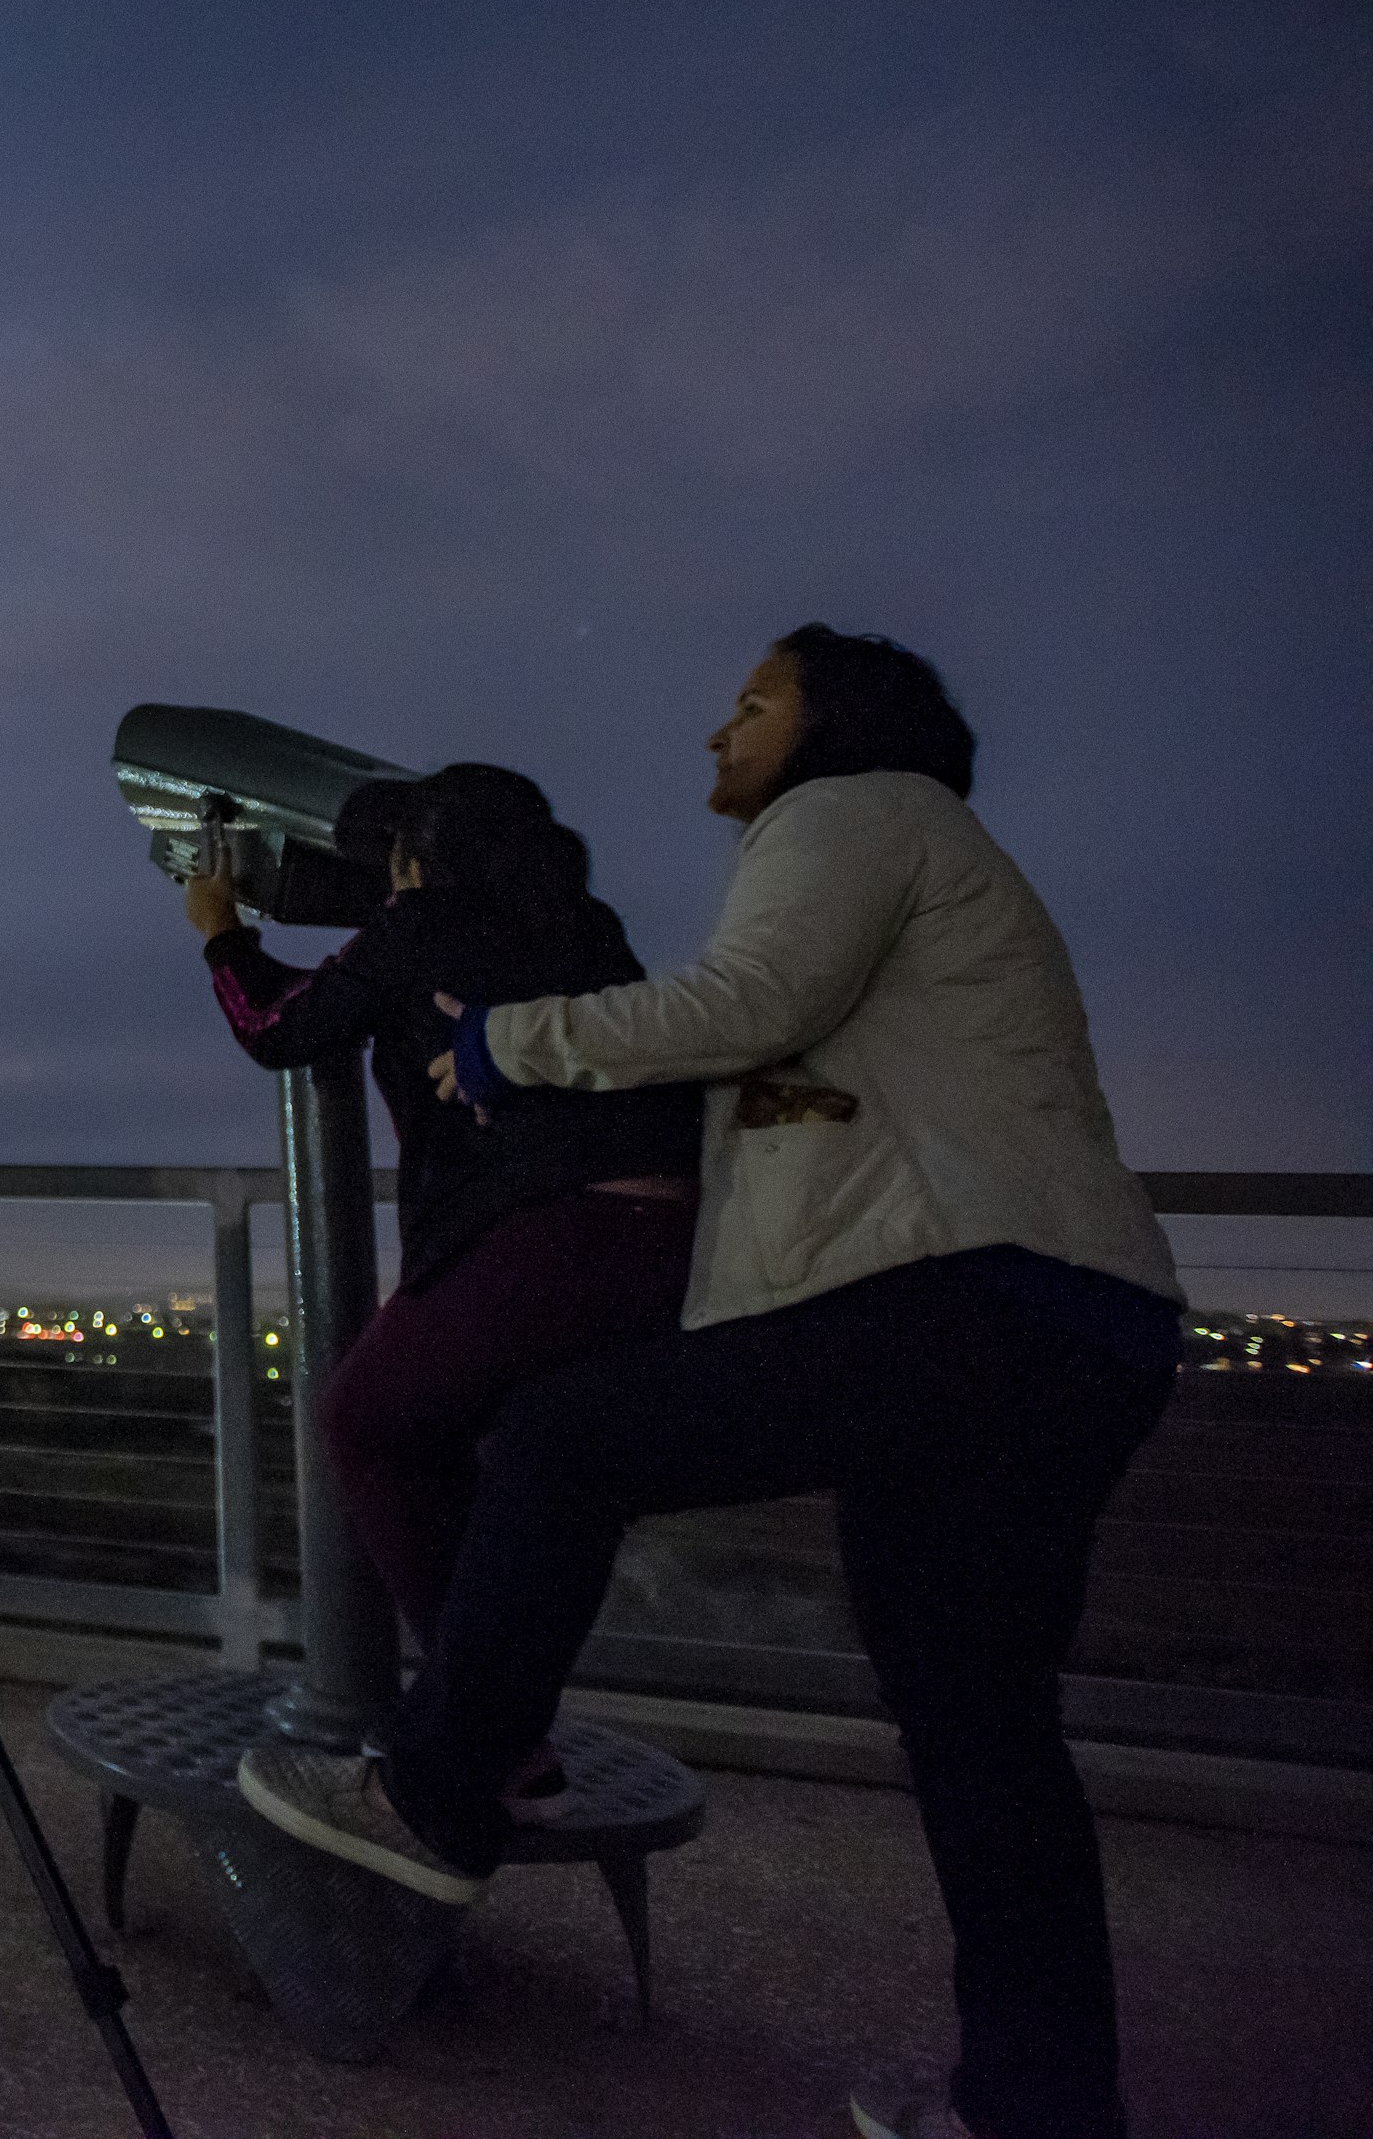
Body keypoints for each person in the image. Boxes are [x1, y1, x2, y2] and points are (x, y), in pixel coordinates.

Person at [232, 627, 1183, 2139]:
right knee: (981, 1728)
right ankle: (1038, 2105)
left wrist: (505, 1040)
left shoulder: (854, 809)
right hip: (1082, 1313)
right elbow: (796, 1066)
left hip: (961, 1295)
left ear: (835, 721)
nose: (716, 730)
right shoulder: (935, 862)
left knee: (560, 1436)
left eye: (752, 702)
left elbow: (742, 1001)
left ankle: (441, 1789)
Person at [185, 762, 701, 1816]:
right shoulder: (584, 922)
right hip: (660, 1239)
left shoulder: (419, 926)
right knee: (531, 1468)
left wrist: (217, 926)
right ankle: (504, 1736)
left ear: (417, 858)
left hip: (540, 1237)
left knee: (369, 1423)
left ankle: (480, 1739)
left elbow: (277, 1025)